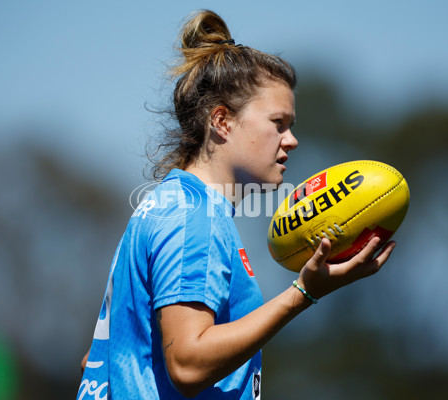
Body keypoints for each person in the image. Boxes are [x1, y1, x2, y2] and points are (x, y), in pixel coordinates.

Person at [76, 9, 395, 400]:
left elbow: (100, 358)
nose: (291, 139)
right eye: (278, 123)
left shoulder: (166, 204)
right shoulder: (196, 217)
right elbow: (188, 364)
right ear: (222, 121)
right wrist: (303, 294)